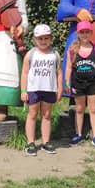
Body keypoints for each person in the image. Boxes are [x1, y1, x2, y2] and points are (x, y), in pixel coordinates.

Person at [65, 20, 95, 149]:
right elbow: (69, 67)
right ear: (78, 33)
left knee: (94, 109)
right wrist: (67, 82)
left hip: (93, 83)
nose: (85, 35)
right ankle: (78, 133)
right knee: (79, 109)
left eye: (87, 32)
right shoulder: (73, 49)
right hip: (78, 83)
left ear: (91, 33)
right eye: (82, 32)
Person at [19, 24, 62, 156]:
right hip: (33, 89)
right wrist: (23, 91)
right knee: (32, 114)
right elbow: (25, 73)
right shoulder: (30, 54)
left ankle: (46, 142)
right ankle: (30, 143)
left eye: (46, 38)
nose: (43, 41)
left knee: (47, 115)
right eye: (40, 38)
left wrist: (60, 89)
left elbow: (58, 73)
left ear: (50, 38)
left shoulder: (54, 54)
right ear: (34, 39)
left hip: (49, 89)